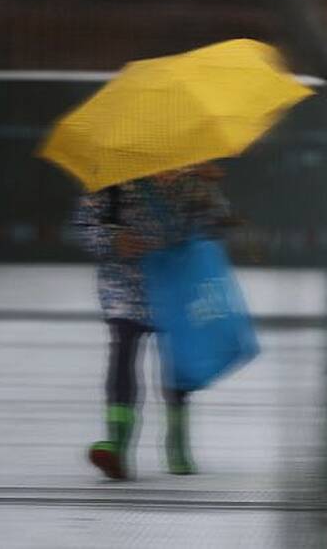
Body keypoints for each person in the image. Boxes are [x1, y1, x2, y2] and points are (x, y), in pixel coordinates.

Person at [73, 164, 232, 480]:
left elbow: (216, 224)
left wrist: (210, 189)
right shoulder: (110, 179)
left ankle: (176, 441)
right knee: (123, 350)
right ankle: (117, 441)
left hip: (173, 285)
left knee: (177, 362)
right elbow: (86, 225)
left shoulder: (189, 179)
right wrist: (113, 240)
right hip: (124, 287)